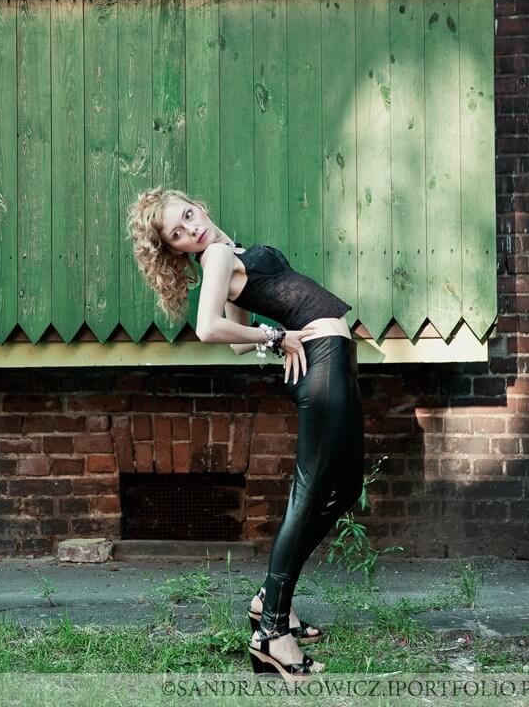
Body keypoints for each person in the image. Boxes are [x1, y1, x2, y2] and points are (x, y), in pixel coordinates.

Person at [127, 187, 365, 683]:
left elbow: (236, 341)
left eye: (188, 215)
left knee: (345, 488)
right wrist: (277, 336)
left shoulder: (227, 253)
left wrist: (267, 337)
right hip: (321, 363)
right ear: (176, 250)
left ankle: (269, 601)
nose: (191, 229)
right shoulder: (216, 257)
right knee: (311, 495)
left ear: (198, 205)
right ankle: (272, 632)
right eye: (177, 234)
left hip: (332, 358)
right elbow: (208, 329)